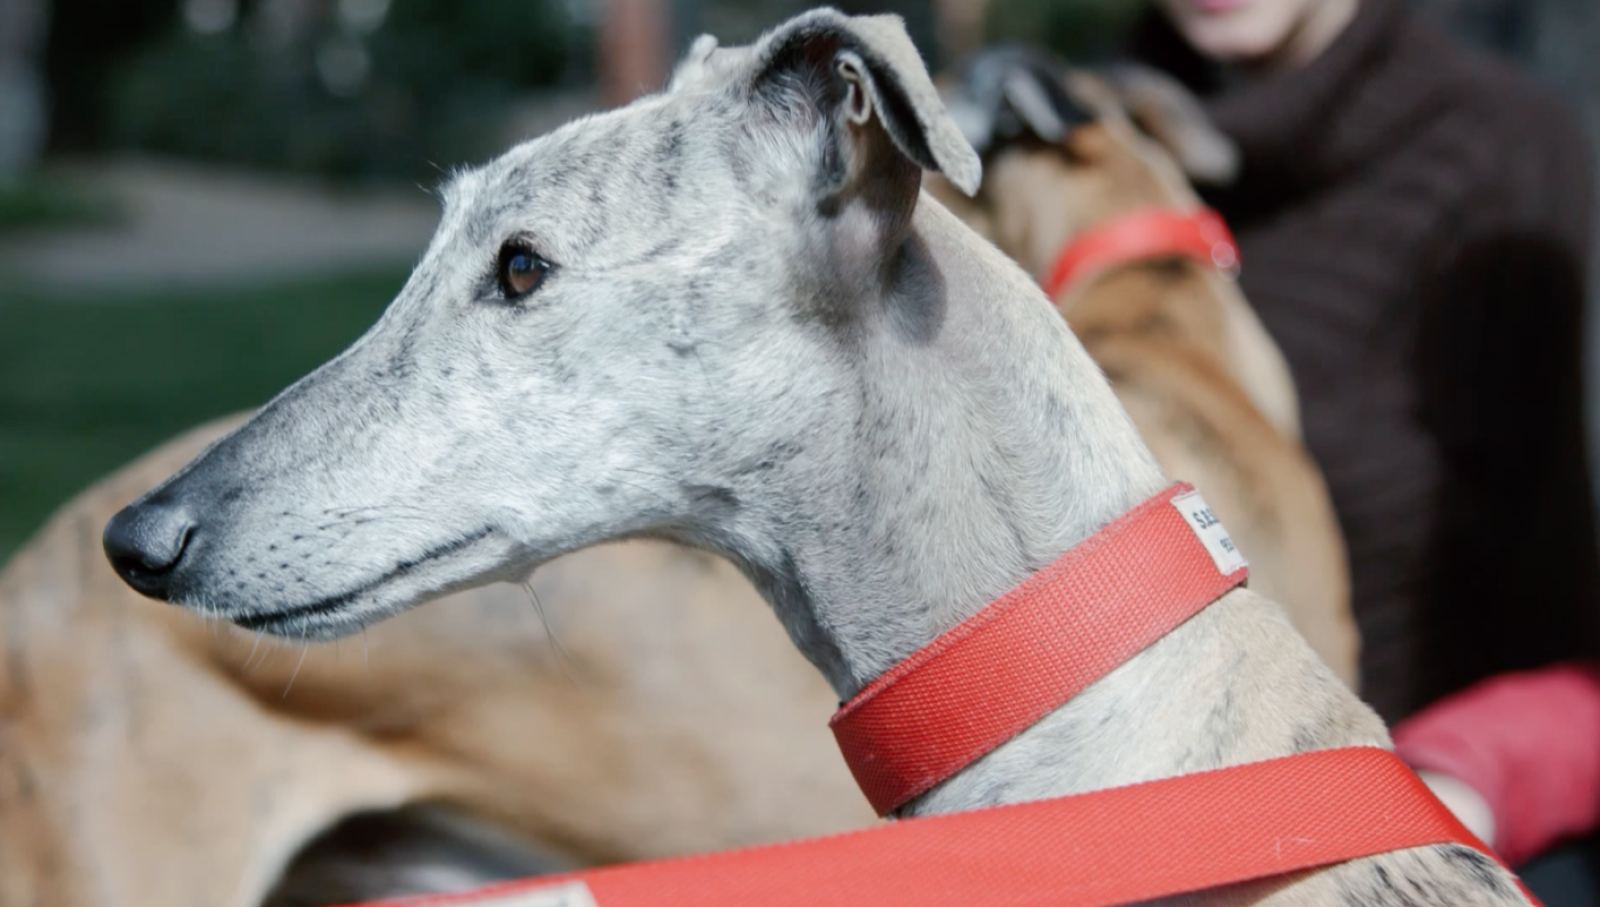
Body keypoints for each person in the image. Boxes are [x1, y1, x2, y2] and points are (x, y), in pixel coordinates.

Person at [1125, 0, 1600, 890]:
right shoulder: (1069, 151)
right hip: (1120, 818)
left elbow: (1562, 646)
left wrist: (1448, 791)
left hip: (1405, 816)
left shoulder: (1502, 156)